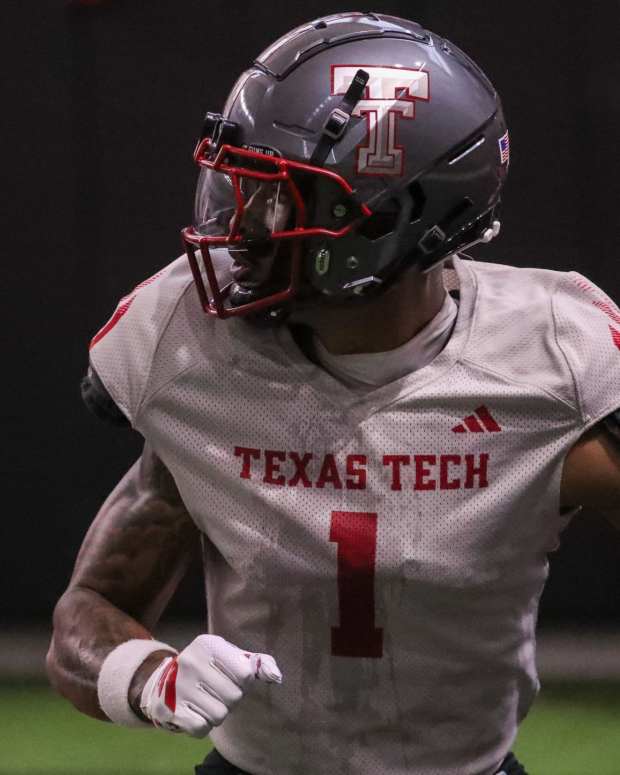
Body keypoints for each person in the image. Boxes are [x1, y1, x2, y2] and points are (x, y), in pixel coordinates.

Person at [47, 12, 620, 775]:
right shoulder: (188, 349)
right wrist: (149, 675)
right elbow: (84, 619)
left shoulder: (551, 360)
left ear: (394, 216)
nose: (241, 227)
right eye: (242, 188)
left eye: (281, 199)